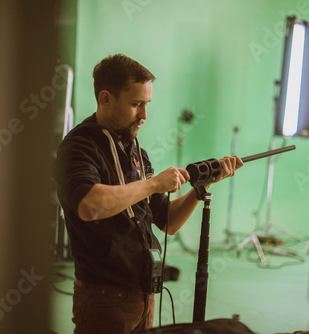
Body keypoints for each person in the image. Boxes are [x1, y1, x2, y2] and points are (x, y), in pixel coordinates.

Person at [53, 54, 243, 334]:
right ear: (105, 98)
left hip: (144, 292)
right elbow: (89, 205)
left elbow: (168, 221)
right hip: (103, 298)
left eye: (146, 104)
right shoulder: (78, 146)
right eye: (136, 104)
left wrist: (200, 188)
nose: (144, 115)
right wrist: (154, 184)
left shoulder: (135, 152)